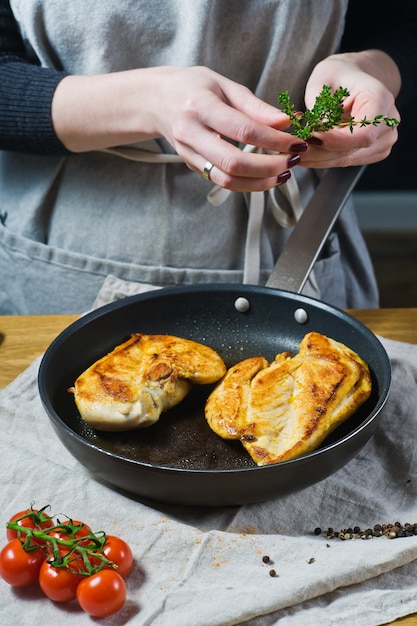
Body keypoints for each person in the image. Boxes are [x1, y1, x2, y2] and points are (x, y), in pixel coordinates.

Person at [0, 0, 415, 314]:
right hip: (73, 246)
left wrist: (368, 69)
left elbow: (397, 21)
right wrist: (148, 103)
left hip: (299, 243)